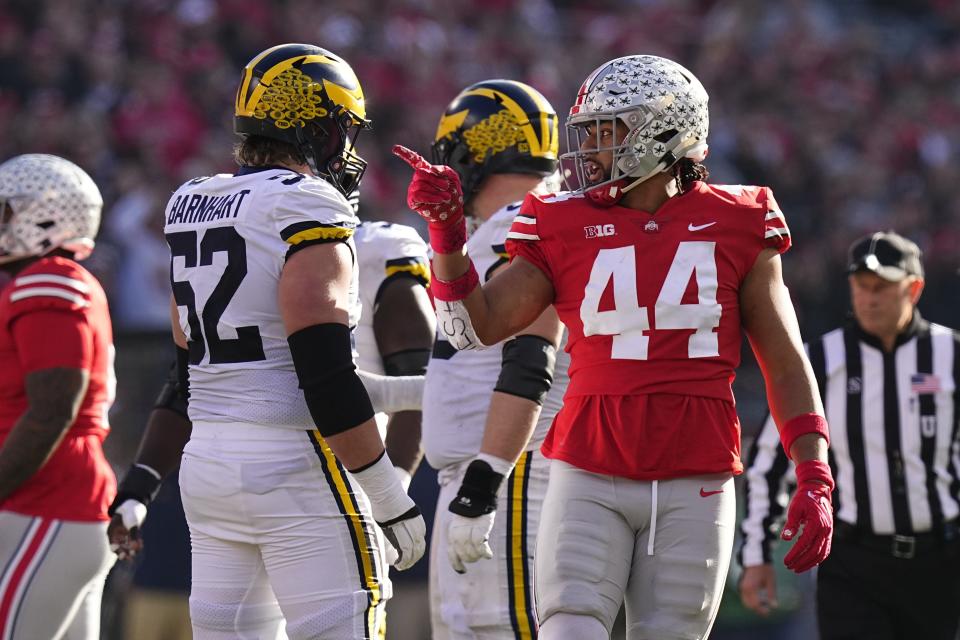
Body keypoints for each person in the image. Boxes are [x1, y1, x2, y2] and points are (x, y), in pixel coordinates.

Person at [395, 54, 835, 640]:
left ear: (661, 128)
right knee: (567, 629)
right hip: (587, 464)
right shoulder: (559, 219)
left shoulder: (739, 219)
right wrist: (448, 235)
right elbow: (473, 327)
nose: (588, 152)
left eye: (606, 132)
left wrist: (814, 470)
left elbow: (784, 359)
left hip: (695, 473)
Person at [150, 42, 427, 639]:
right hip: (292, 462)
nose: (348, 149)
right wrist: (388, 493)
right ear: (315, 126)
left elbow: (188, 361)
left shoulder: (191, 202)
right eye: (342, 130)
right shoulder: (305, 203)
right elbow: (322, 372)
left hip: (209, 464)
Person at [739, 230, 960, 640]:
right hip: (853, 562)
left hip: (940, 562)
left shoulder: (951, 355)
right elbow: (768, 464)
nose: (870, 297)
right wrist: (756, 556)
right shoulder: (818, 361)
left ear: (914, 288)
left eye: (882, 287)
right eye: (861, 285)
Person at [411, 79, 569, 639]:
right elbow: (465, 369)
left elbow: (531, 357)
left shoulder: (520, 222)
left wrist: (483, 482)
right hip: (490, 473)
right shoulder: (507, 225)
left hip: (510, 473)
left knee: (507, 629)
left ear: (471, 151)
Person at [0, 153, 116, 640]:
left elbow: (52, 412)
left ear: (43, 216)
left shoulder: (47, 281)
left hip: (47, 500)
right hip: (55, 505)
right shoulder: (55, 282)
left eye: (7, 210)